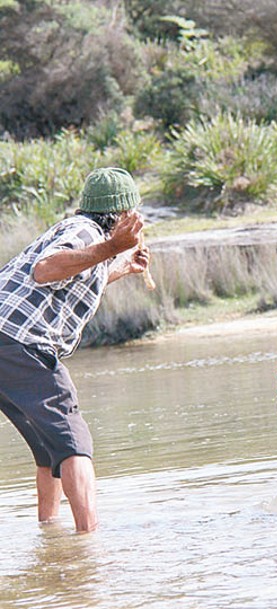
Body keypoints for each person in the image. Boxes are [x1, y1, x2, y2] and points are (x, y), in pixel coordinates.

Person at [0, 167, 151, 532]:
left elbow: (73, 274)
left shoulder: (79, 234)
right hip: (19, 341)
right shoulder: (86, 233)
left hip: (7, 340)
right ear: (122, 215)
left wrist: (120, 266)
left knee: (47, 446)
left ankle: (49, 533)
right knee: (73, 442)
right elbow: (46, 270)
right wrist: (113, 248)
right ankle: (89, 541)